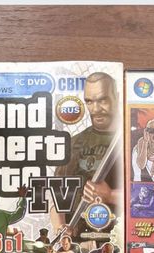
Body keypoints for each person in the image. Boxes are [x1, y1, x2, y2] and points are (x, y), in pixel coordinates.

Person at [51, 72, 119, 237]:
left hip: (114, 238)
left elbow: (147, 196)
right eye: (89, 101)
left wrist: (110, 195)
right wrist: (60, 228)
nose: (96, 109)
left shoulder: (131, 140)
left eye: (102, 100)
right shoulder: (74, 143)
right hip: (76, 240)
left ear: (116, 97)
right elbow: (57, 197)